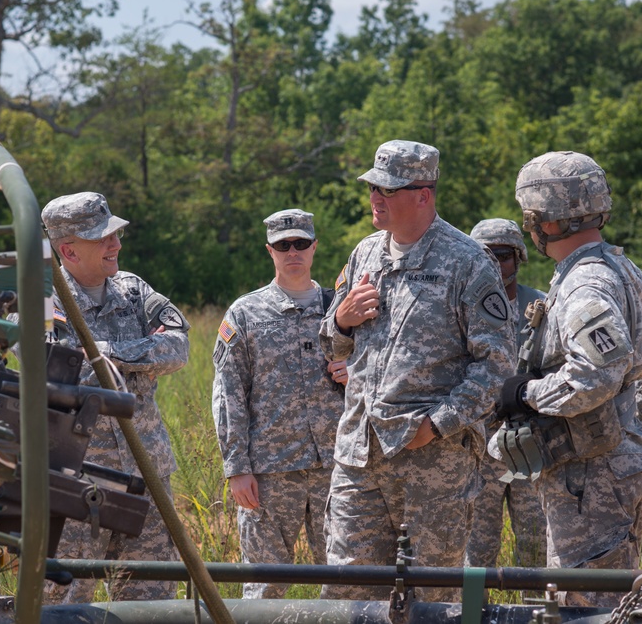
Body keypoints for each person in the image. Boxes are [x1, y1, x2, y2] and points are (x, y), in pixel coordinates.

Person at [319, 139, 515, 602]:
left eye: (388, 190)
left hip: (432, 462)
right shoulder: (364, 254)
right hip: (358, 455)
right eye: (373, 188)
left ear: (423, 194)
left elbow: (498, 363)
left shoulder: (468, 262)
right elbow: (332, 341)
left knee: (429, 597)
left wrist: (438, 424)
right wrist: (341, 318)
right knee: (349, 592)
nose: (375, 198)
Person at [497, 150, 642, 607]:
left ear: (544, 220)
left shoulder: (584, 283)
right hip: (612, 463)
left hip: (592, 476)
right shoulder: (620, 268)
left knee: (584, 604)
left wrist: (527, 394)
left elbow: (596, 374)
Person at [40, 191, 190, 603]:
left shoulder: (134, 290)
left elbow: (178, 348)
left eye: (116, 235)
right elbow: (58, 369)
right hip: (78, 485)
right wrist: (140, 352)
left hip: (148, 477)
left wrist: (109, 351)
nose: (116, 245)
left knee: (153, 602)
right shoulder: (41, 299)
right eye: (103, 238)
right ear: (68, 250)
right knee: (64, 606)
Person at [212, 208, 348, 599]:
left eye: (301, 244)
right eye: (283, 245)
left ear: (314, 247)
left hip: (338, 466)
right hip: (270, 472)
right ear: (269, 250)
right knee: (265, 583)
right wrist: (236, 466)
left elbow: (382, 367)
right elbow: (228, 393)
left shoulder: (340, 308)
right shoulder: (246, 313)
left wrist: (355, 369)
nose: (293, 252)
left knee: (347, 579)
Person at [466, 218, 547, 569]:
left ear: (518, 257)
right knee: (478, 548)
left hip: (532, 444)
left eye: (501, 255)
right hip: (481, 448)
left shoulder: (542, 307)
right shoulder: (462, 309)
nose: (494, 265)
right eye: (484, 256)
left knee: (534, 544)